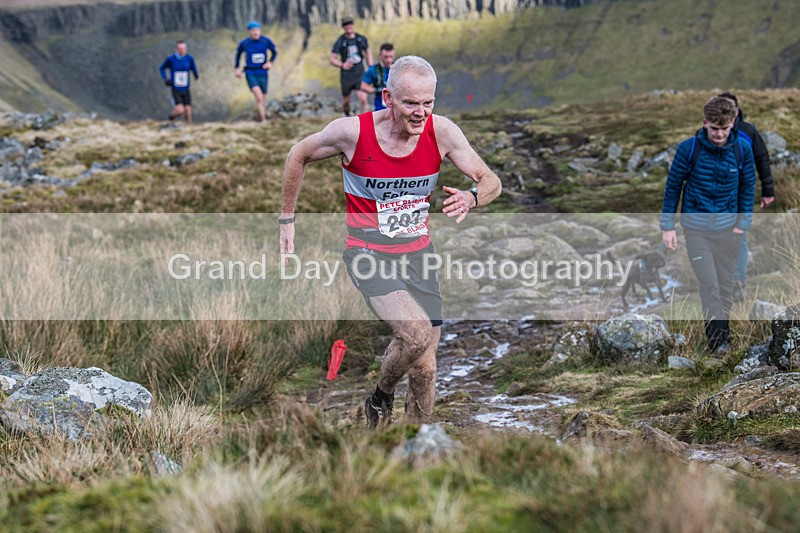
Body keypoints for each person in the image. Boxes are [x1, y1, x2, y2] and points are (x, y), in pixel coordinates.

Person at [279, 56, 502, 428]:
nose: (421, 113)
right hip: (368, 253)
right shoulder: (352, 133)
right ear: (388, 98)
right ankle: (380, 397)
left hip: (418, 255)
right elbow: (298, 153)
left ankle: (415, 443)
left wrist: (473, 196)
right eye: (411, 103)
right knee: (414, 335)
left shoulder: (442, 132)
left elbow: (489, 179)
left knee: (426, 368)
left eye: (428, 102)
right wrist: (287, 219)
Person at [660, 96, 756, 355]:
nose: (719, 134)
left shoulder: (742, 149)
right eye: (714, 128)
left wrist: (741, 225)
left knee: (726, 286)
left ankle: (722, 338)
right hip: (697, 230)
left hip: (730, 230)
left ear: (732, 123)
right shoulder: (688, 149)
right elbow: (673, 188)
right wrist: (667, 226)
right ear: (705, 123)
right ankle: (718, 344)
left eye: (724, 129)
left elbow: (748, 188)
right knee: (710, 285)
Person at [717, 92, 776, 302]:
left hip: (742, 192)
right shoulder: (710, 131)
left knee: (738, 234)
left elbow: (762, 159)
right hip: (716, 194)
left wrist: (767, 189)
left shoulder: (748, 131)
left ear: (737, 110)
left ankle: (737, 282)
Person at [235, 21, 277, 123]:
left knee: (263, 99)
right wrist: (237, 68)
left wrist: (270, 63)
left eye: (257, 30)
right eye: (253, 30)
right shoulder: (244, 43)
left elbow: (274, 52)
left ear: (260, 30)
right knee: (259, 97)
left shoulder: (265, 41)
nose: (255, 32)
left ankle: (259, 118)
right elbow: (238, 55)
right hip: (250, 72)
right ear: (249, 31)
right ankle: (263, 121)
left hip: (263, 73)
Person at [330, 16, 372, 116]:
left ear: (353, 25)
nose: (348, 27)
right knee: (346, 101)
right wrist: (342, 65)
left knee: (363, 98)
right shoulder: (340, 41)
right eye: (346, 25)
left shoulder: (360, 39)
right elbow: (332, 59)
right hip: (346, 75)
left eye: (350, 24)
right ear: (343, 27)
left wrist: (370, 66)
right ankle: (346, 115)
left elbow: (367, 51)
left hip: (359, 72)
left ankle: (365, 122)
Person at [159, 40, 199, 124]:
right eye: (180, 48)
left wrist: (196, 75)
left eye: (184, 48)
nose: (182, 50)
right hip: (176, 88)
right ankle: (171, 117)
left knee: (188, 111)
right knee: (180, 110)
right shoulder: (171, 59)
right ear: (176, 49)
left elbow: (193, 67)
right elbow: (162, 68)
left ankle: (189, 129)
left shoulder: (189, 58)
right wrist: (165, 78)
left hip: (186, 88)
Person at [361, 43, 394, 111]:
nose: (389, 60)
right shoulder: (373, 70)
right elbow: (363, 86)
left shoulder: (398, 69)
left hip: (396, 108)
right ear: (380, 56)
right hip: (380, 109)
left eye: (391, 57)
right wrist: (377, 90)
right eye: (386, 57)